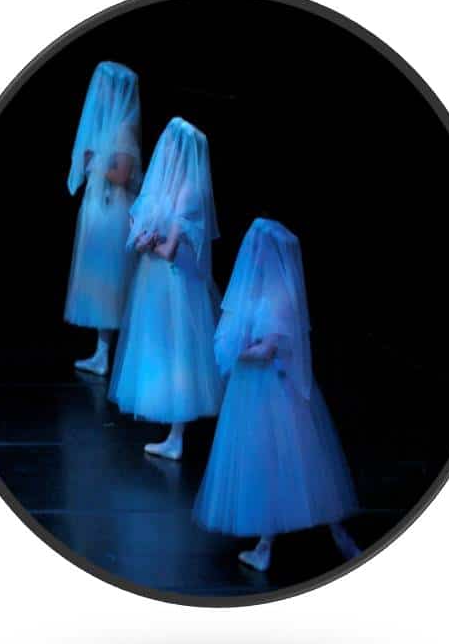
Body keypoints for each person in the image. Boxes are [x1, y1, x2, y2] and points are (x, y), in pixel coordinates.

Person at [193, 218, 359, 570]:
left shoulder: (279, 296)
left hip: (274, 390)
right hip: (255, 389)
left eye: (258, 250)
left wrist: (239, 353)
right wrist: (236, 345)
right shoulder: (259, 292)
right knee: (269, 461)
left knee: (291, 460)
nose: (252, 256)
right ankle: (268, 545)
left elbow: (268, 350)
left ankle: (329, 536)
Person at [109, 117, 223, 459]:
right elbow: (140, 229)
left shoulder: (189, 191)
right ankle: (170, 431)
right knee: (157, 348)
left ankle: (177, 436)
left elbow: (171, 249)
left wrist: (149, 244)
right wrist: (142, 239)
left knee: (177, 351)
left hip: (175, 283)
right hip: (154, 280)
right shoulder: (161, 186)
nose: (166, 151)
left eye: (172, 146)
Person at [65, 62, 142, 375]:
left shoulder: (123, 129)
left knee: (110, 282)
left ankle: (109, 354)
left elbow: (122, 175)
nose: (101, 94)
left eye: (107, 89)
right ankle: (101, 353)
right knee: (100, 283)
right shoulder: (105, 127)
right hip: (99, 210)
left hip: (113, 212)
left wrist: (95, 163)